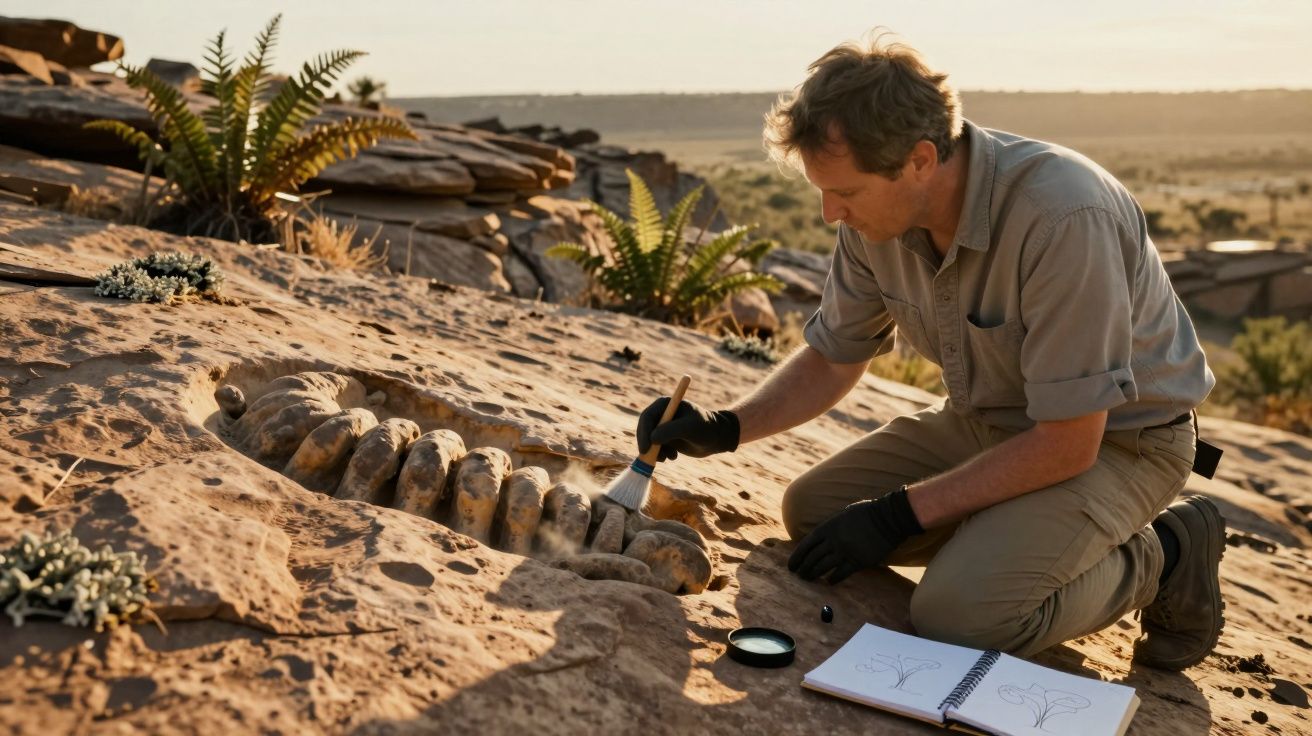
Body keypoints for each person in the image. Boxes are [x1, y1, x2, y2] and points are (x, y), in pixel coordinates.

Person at [634, 35, 1223, 670]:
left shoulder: (1063, 216)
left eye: (847, 193)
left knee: (958, 618)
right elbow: (835, 357)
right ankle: (1010, 541)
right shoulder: (877, 217)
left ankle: (1164, 553)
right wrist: (724, 428)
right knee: (811, 514)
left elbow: (1069, 442)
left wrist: (897, 515)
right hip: (989, 422)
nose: (831, 213)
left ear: (919, 159)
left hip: (1119, 442)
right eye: (822, 192)